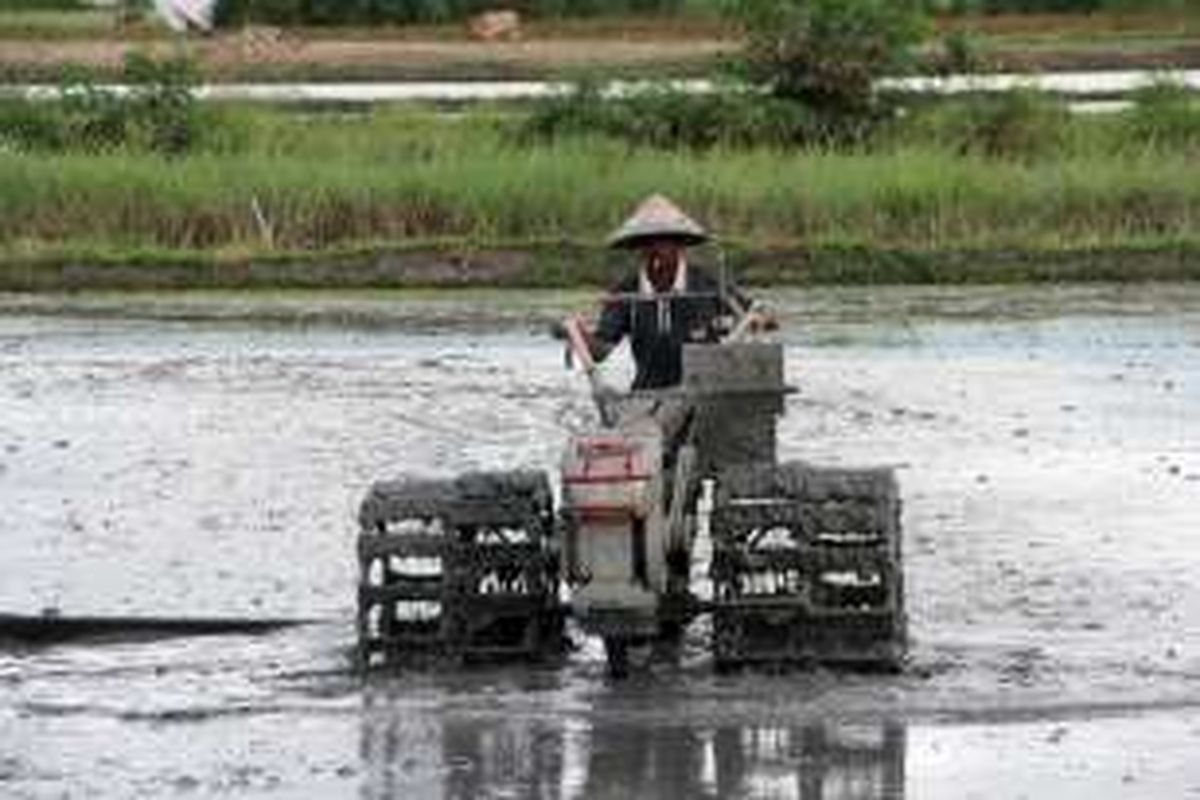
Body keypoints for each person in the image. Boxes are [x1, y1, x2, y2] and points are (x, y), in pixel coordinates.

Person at [575, 194, 768, 391]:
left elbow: (754, 315)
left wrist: (757, 320)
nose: (654, 250)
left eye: (662, 242)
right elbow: (600, 351)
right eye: (647, 243)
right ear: (639, 249)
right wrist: (578, 334)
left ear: (679, 247)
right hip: (647, 394)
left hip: (706, 390)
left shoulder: (707, 284)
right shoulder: (627, 292)